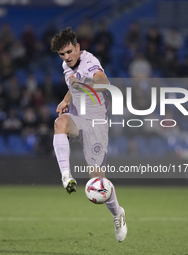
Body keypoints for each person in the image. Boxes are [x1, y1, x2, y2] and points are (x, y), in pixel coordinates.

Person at [50, 27, 127, 242]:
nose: (66, 57)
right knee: (60, 123)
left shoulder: (89, 61)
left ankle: (117, 213)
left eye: (69, 52)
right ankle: (66, 176)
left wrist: (85, 84)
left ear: (78, 48)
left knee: (98, 182)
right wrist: (66, 99)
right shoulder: (66, 65)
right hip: (78, 118)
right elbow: (73, 84)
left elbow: (104, 83)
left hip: (96, 123)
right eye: (62, 54)